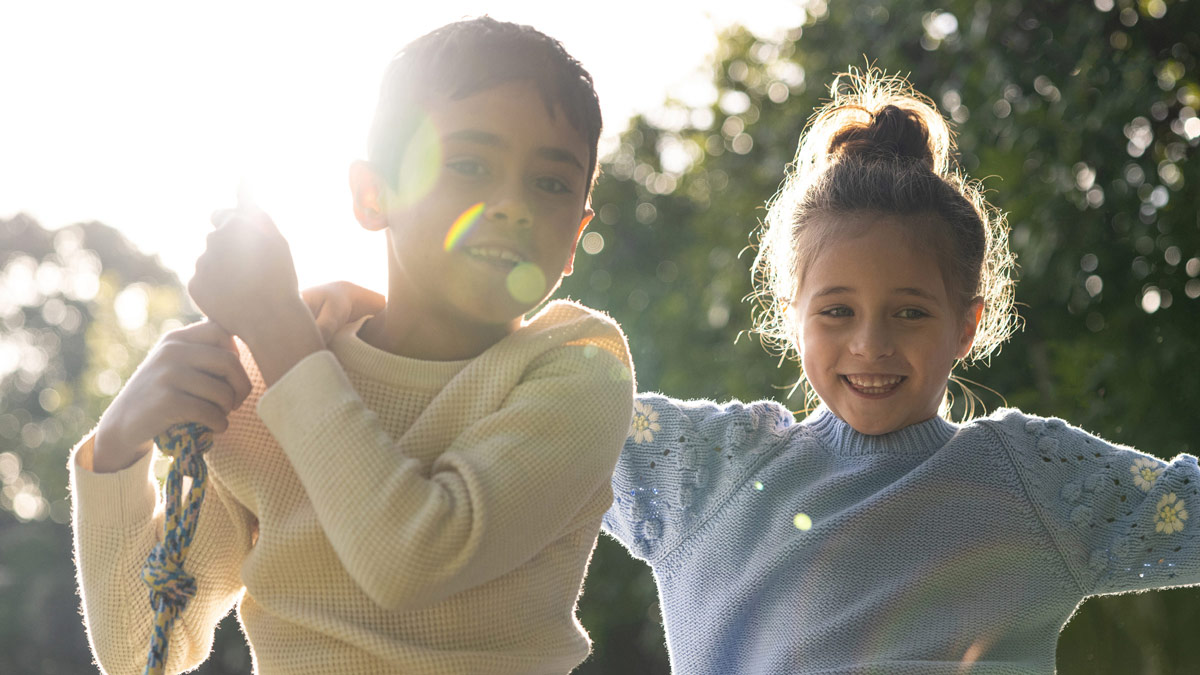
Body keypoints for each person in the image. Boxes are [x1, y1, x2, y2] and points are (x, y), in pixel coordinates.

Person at [304, 68, 1200, 673]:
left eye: (912, 313)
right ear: (791, 317)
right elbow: (501, 384)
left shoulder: (1035, 478)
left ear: (968, 324)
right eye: (838, 312)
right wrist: (380, 318)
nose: (872, 346)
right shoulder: (704, 466)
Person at [69, 16, 634, 675]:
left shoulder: (579, 368)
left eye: (551, 183)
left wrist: (283, 334)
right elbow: (143, 652)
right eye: (469, 164)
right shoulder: (268, 389)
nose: (511, 203)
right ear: (373, 194)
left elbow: (413, 557)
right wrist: (116, 451)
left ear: (575, 235)